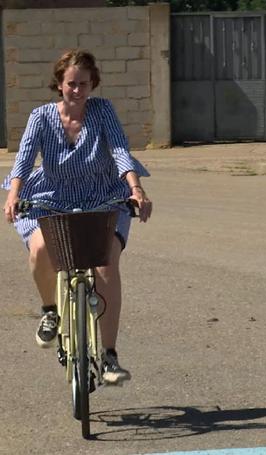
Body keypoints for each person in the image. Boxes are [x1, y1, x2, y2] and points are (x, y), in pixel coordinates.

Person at [2, 49, 153, 384]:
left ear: (92, 84)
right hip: (51, 197)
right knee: (41, 250)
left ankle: (109, 356)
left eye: (84, 84)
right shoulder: (41, 117)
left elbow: (118, 149)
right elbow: (24, 160)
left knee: (105, 265)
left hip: (103, 196)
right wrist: (13, 195)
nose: (77, 90)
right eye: (71, 83)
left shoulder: (102, 111)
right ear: (59, 84)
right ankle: (50, 312)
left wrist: (135, 188)